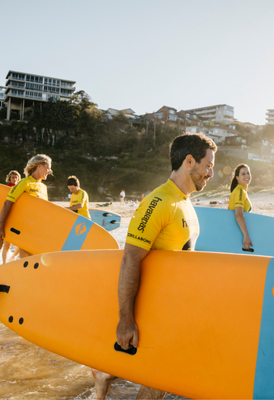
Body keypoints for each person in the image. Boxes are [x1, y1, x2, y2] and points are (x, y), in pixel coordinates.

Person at [91, 132, 217, 400]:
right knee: (162, 377)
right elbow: (130, 258)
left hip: (173, 308)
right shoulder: (159, 202)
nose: (211, 173)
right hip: (156, 308)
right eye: (208, 166)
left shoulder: (185, 202)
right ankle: (104, 373)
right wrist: (125, 320)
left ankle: (104, 373)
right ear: (189, 161)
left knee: (161, 377)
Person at [0, 155, 52, 258]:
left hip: (38, 229)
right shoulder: (25, 182)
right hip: (25, 229)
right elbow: (8, 203)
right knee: (27, 258)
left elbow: (45, 211)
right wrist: (1, 226)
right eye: (48, 168)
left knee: (36, 259)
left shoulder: (44, 187)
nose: (49, 171)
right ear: (39, 166)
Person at [228, 163, 253, 251]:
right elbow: (238, 214)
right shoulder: (240, 191)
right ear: (237, 177)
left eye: (248, 173)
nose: (247, 176)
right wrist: (246, 236)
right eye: (243, 174)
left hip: (234, 232)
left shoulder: (238, 190)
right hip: (238, 234)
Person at [1, 170, 22, 264]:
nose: (14, 179)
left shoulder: (20, 188)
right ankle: (4, 263)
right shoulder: (6, 188)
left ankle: (12, 258)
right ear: (10, 178)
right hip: (9, 217)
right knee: (6, 244)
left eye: (16, 177)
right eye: (13, 177)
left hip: (18, 217)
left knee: (21, 243)